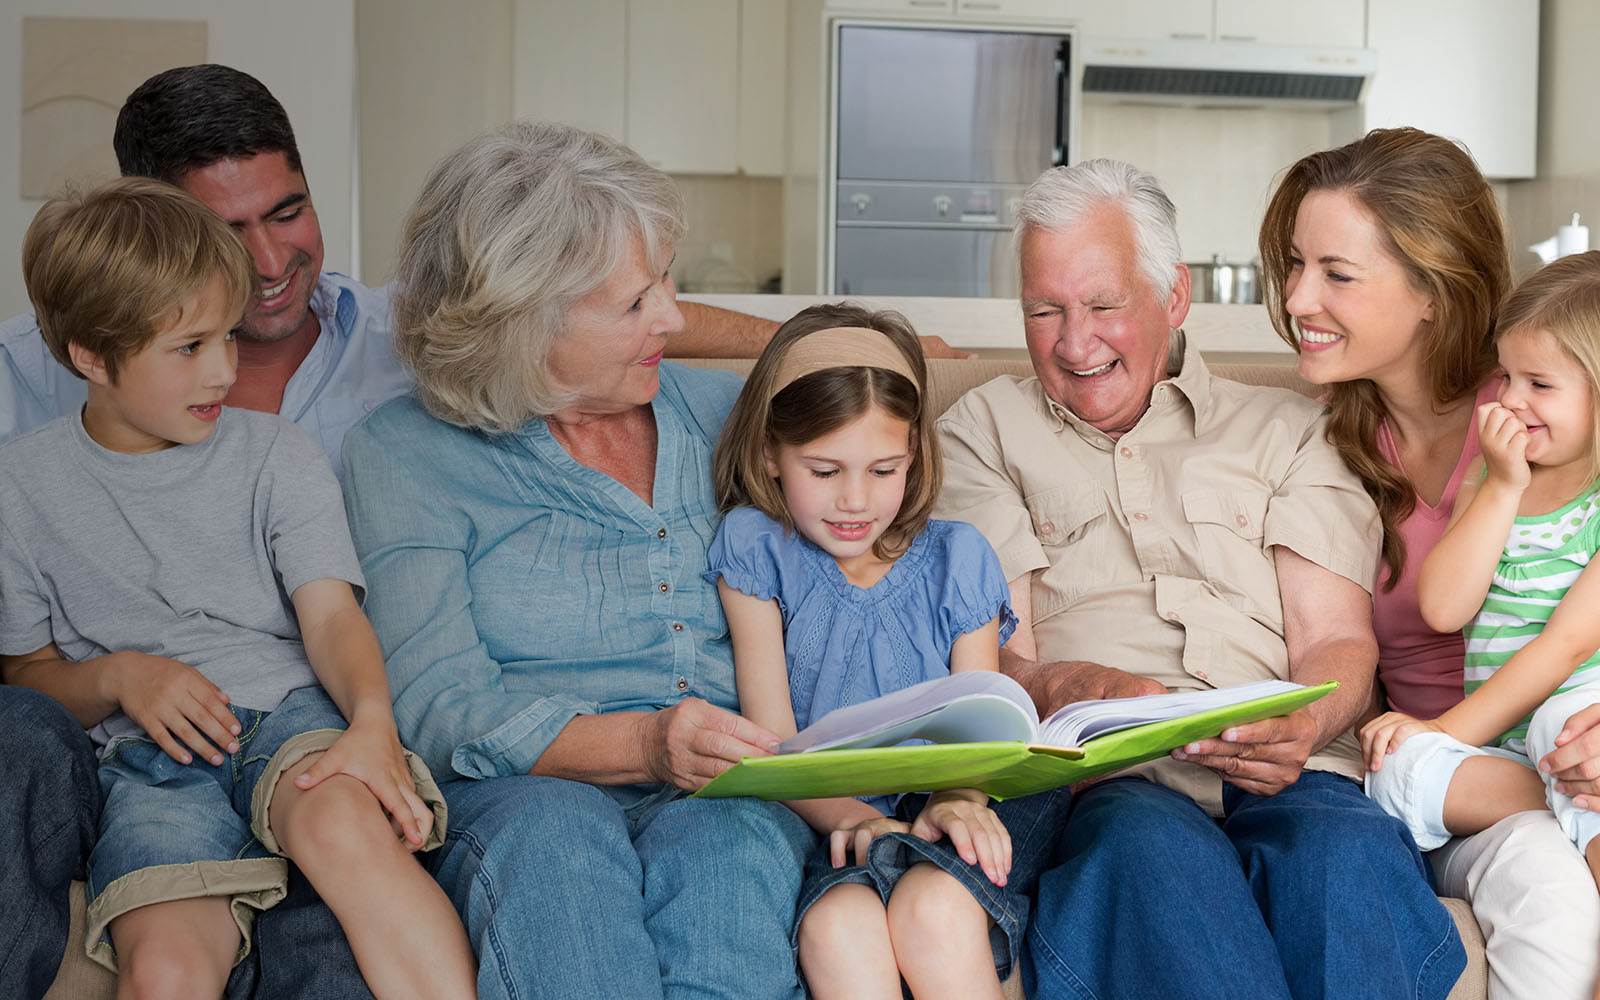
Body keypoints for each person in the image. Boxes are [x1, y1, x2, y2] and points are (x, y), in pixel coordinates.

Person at [933, 157, 1464, 999]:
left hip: (1292, 772)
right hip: (1118, 782)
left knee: (1345, 857)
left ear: (1173, 297)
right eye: (1045, 311)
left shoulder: (1293, 430)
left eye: (1104, 307)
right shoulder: (982, 432)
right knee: (1150, 856)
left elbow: (1334, 641)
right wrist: (1073, 684)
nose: (1075, 343)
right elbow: (1000, 663)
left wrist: (1307, 719)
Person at [340, 120, 814, 1000]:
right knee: (555, 846)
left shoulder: (727, 413)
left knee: (734, 850)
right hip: (525, 795)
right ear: (521, 324)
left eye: (665, 280)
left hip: (726, 783)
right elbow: (438, 705)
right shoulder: (403, 453)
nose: (673, 318)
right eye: (634, 303)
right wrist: (643, 741)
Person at [0, 178, 474, 998]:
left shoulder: (276, 455)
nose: (224, 370)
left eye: (226, 336)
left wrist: (371, 723)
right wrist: (121, 675)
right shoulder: (19, 487)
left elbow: (330, 617)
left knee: (341, 828)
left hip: (290, 716)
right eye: (188, 348)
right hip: (153, 763)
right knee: (164, 967)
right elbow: (30, 679)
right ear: (90, 357)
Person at [1258, 127, 1600, 998]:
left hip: (1563, 738)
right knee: (1545, 881)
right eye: (1296, 264)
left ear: (1431, 293)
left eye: (1336, 273)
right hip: (1445, 785)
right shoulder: (1314, 440)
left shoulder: (1544, 405)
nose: (1298, 296)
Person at [707, 302, 1063, 998]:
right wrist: (862, 822)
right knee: (837, 927)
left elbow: (979, 729)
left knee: (934, 913)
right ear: (770, 456)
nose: (854, 500)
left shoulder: (957, 559)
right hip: (830, 811)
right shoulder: (756, 551)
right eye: (824, 469)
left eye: (883, 470)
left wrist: (958, 801)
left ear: (915, 459)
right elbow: (775, 740)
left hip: (959, 794)